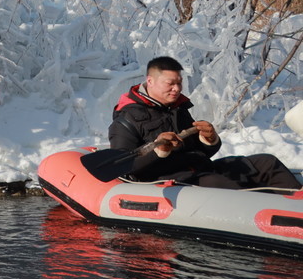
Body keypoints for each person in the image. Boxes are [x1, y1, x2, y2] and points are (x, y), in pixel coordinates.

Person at [108, 56, 302, 190]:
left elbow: (200, 151)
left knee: (267, 162)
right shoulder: (125, 120)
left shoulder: (178, 109)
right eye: (170, 83)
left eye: (179, 83)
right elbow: (124, 169)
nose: (177, 89)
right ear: (150, 81)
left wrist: (210, 140)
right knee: (222, 185)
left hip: (201, 170)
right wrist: (159, 152)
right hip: (171, 182)